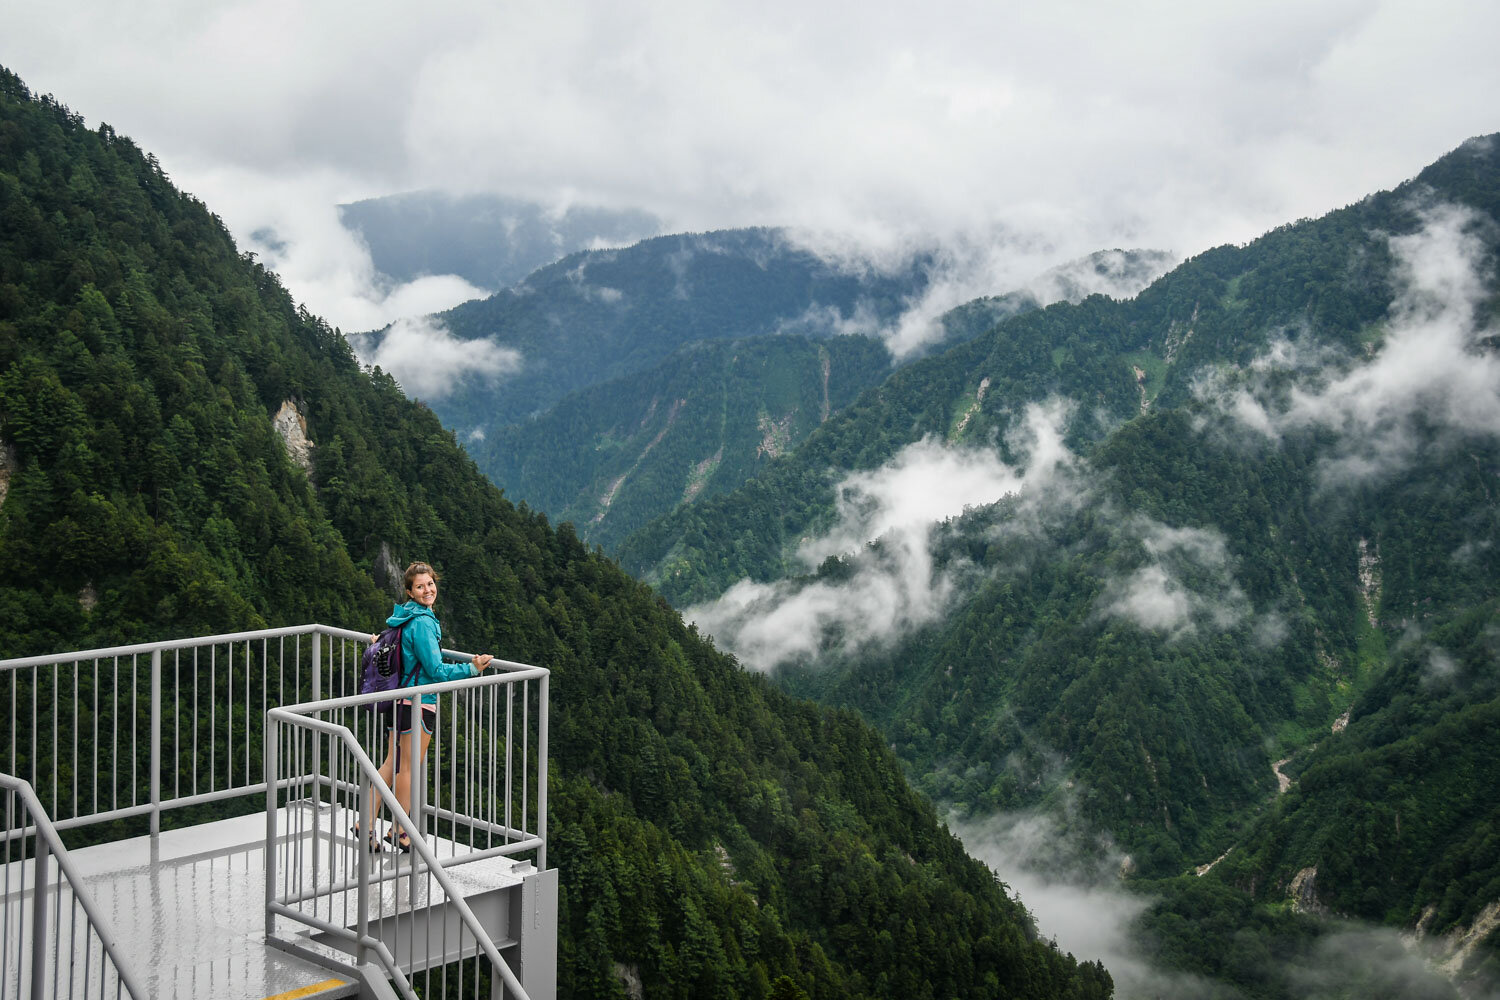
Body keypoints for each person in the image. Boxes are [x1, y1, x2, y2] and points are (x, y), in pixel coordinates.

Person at [361, 561, 494, 852]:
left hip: (399, 699)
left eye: (430, 584)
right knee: (408, 768)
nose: (427, 590)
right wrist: (471, 669)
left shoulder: (404, 616)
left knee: (392, 763)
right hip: (419, 702)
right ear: (409, 591)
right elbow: (435, 670)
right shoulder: (422, 621)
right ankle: (398, 830)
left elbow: (392, 644)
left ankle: (365, 823)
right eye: (420, 586)